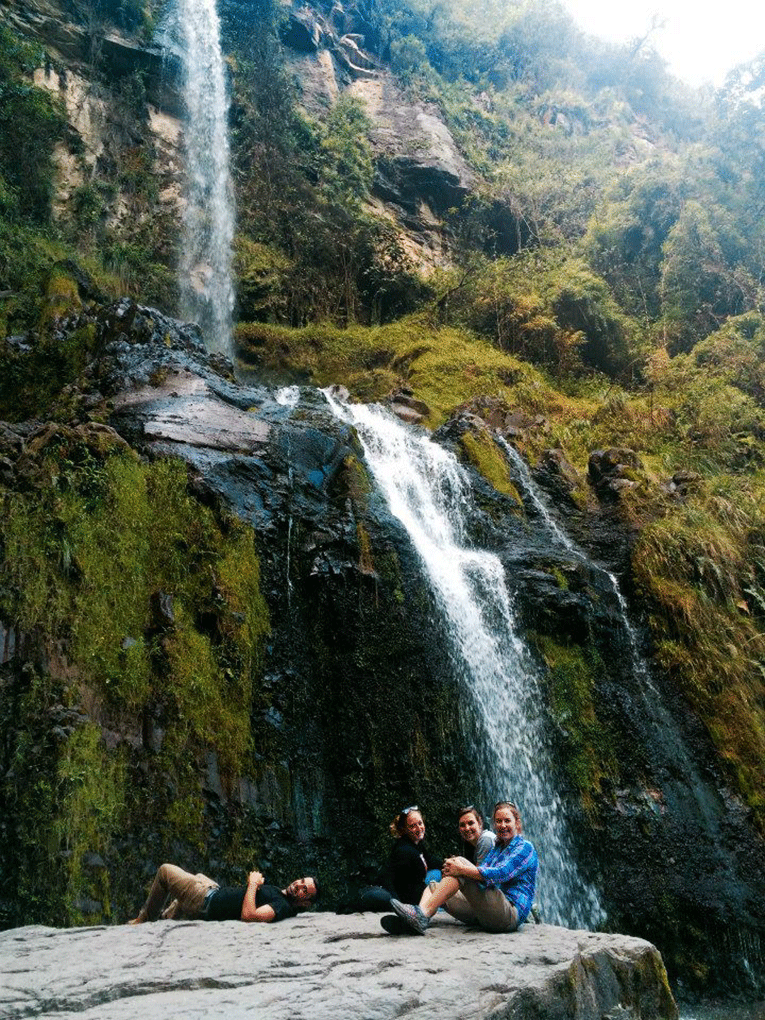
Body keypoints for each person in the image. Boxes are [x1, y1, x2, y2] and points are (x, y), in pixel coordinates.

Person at [383, 800, 537, 935]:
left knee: (460, 863)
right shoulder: (497, 847)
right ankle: (417, 920)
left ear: (517, 822)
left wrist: (461, 869)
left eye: (507, 821)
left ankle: (420, 916)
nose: (502, 825)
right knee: (433, 887)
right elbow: (481, 876)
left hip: (509, 914)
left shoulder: (525, 847)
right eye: (498, 821)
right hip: (487, 913)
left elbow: (501, 874)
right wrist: (456, 869)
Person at [128, 863, 318, 924]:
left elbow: (249, 916)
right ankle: (168, 918)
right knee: (199, 876)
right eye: (302, 881)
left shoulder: (282, 906)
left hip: (205, 901)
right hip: (213, 891)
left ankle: (143, 921)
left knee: (165, 871)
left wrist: (252, 884)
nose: (298, 886)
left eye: (304, 890)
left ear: (306, 903)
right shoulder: (281, 896)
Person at [358, 806, 441, 912]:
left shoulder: (416, 843)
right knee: (441, 886)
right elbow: (389, 877)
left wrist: (448, 863)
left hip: (420, 884)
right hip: (411, 897)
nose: (419, 828)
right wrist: (400, 904)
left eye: (420, 823)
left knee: (439, 872)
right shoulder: (404, 850)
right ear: (404, 830)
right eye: (413, 826)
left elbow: (430, 859)